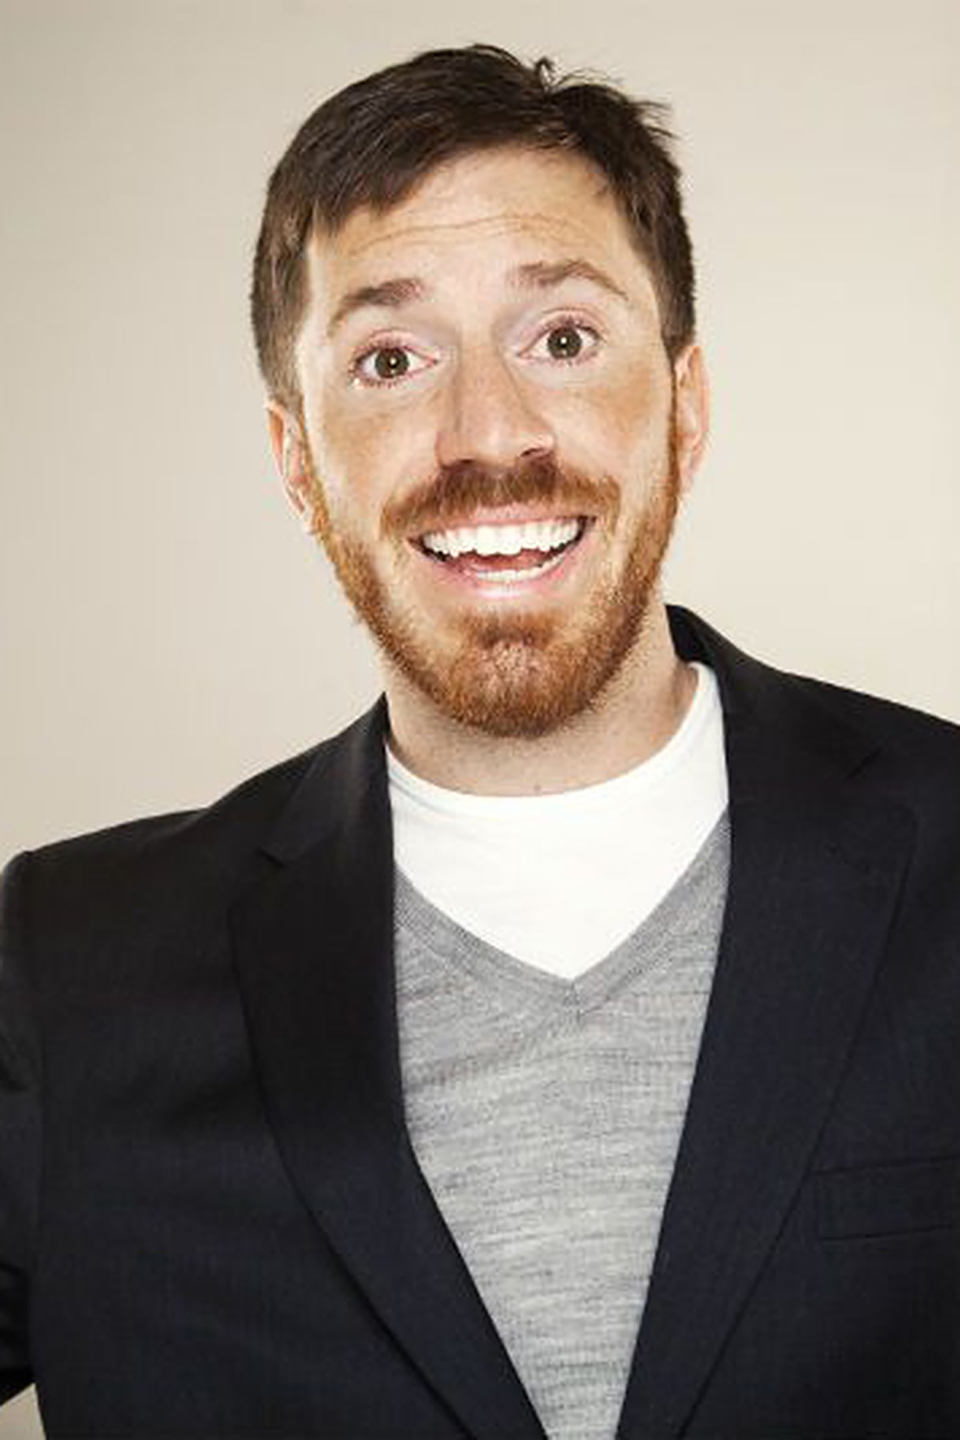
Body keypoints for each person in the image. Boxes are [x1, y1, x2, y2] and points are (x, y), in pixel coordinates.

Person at [1, 42, 957, 1440]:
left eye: (561, 339)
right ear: (297, 464)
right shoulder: (65, 967)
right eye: (391, 359)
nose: (486, 434)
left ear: (684, 408)